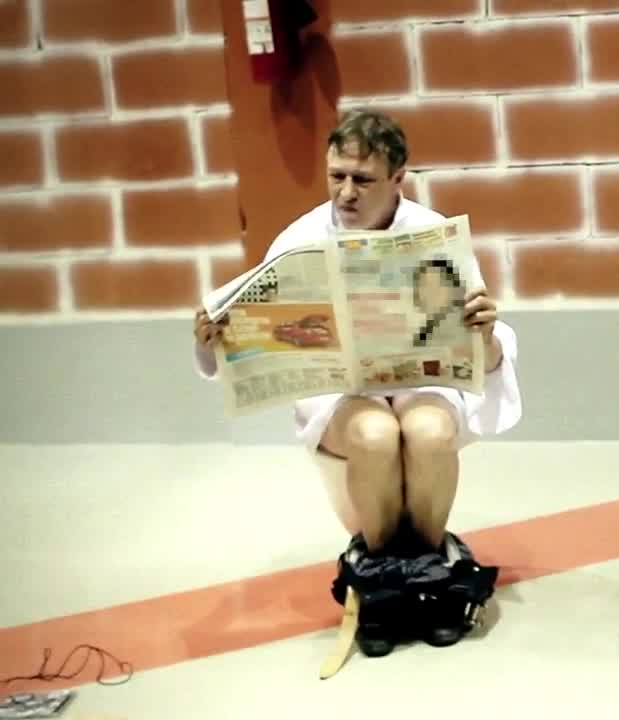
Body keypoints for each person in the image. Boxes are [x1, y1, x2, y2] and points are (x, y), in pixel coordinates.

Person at [191, 108, 522, 656]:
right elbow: (258, 339)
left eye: (363, 180)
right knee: (374, 434)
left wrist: (485, 334)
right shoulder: (300, 239)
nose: (346, 192)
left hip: (418, 381)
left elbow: (484, 353)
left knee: (430, 431)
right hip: (339, 392)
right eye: (336, 176)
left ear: (398, 179)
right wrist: (215, 339)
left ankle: (429, 573)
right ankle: (380, 584)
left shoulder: (432, 235)